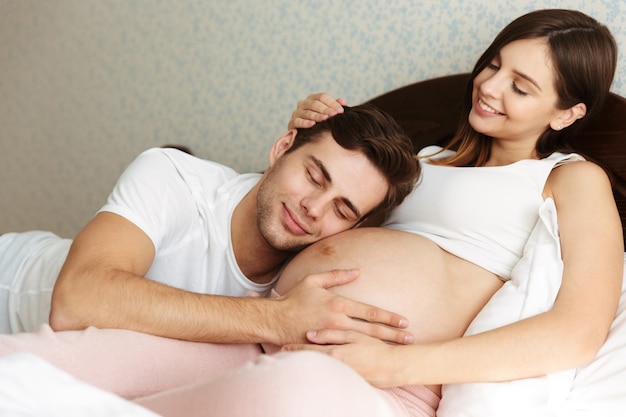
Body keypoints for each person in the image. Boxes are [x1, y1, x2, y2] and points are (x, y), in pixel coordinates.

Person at [0, 8, 622, 417]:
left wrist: (393, 362)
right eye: (494, 65)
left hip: (378, 385)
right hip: (271, 332)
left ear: (566, 115)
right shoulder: (419, 161)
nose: (489, 87)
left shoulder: (569, 180)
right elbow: (307, 213)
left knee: (290, 396)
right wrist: (299, 136)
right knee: (42, 360)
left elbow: (576, 332)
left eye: (521, 87)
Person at [0, 103, 419, 348]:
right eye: (314, 176)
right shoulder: (173, 176)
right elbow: (76, 302)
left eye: (342, 210)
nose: (313, 208)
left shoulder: (309, 285)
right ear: (283, 147)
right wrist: (273, 319)